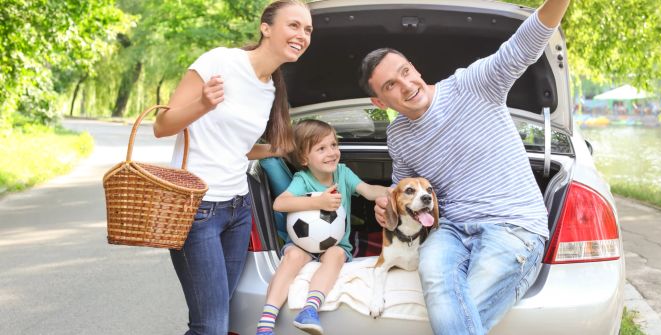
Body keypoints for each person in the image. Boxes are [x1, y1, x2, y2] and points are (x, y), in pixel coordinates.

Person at [358, 1, 571, 334]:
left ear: (413, 67)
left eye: (405, 72)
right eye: (390, 86)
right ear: (379, 102)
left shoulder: (471, 85)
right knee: (440, 289)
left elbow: (523, 45)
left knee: (458, 316)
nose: (406, 85)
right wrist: (388, 207)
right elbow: (402, 190)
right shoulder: (397, 135)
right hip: (450, 231)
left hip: (512, 225)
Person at [152, 1, 312, 334]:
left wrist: (272, 149)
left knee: (216, 319)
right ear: (265, 28)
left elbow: (236, 148)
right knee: (210, 326)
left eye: (308, 29)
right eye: (294, 25)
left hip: (239, 211)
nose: (302, 34)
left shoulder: (270, 89)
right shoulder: (220, 61)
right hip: (197, 210)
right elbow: (162, 125)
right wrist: (203, 104)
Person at [255, 119, 388, 335]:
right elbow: (280, 203)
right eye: (322, 148)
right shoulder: (302, 179)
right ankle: (266, 322)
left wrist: (395, 190)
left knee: (335, 255)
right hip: (301, 245)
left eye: (334, 145)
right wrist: (318, 202)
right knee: (293, 257)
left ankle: (310, 310)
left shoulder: (343, 173)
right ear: (304, 159)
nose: (332, 152)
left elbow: (369, 190)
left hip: (335, 244)